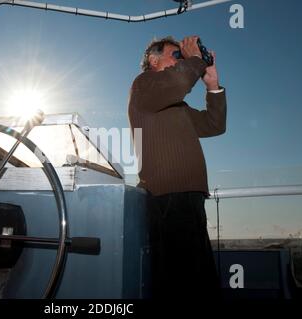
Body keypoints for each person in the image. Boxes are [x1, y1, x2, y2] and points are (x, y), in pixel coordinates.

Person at [128, 36, 227, 299]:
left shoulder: (177, 106)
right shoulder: (144, 86)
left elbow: (214, 125)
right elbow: (179, 82)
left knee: (197, 281)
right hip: (168, 199)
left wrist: (213, 86)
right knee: (185, 284)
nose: (180, 60)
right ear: (153, 60)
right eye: (176, 55)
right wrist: (194, 59)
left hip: (188, 199)